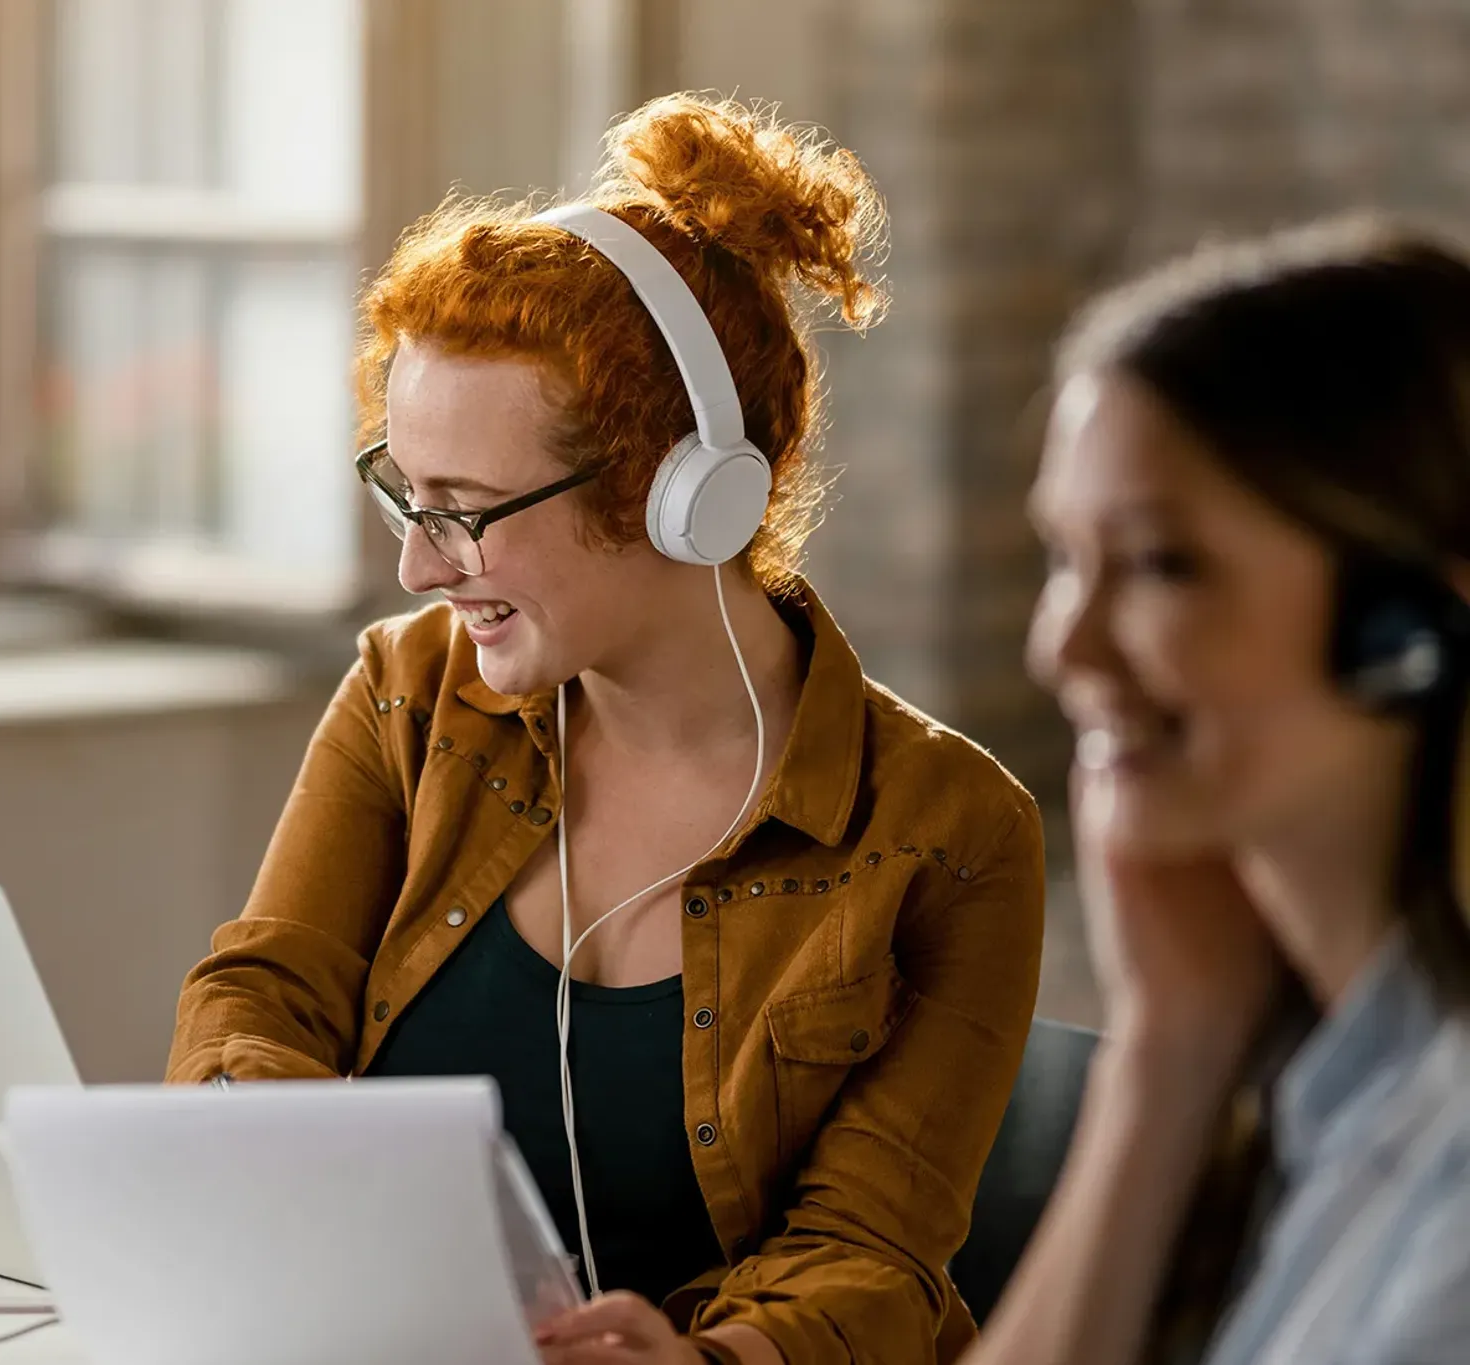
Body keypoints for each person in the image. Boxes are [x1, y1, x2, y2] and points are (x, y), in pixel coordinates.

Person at [167, 94, 1046, 1365]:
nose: (419, 568)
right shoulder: (410, 694)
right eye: (403, 498)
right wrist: (306, 1198)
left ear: (680, 492)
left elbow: (869, 1254)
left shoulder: (948, 836)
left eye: (464, 510)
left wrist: (701, 1360)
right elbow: (259, 998)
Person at [979, 214, 1470, 1365]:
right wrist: (1165, 1050)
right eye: (1064, 558)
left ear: (1411, 629)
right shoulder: (1333, 1088)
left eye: (1157, 564)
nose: (1063, 650)